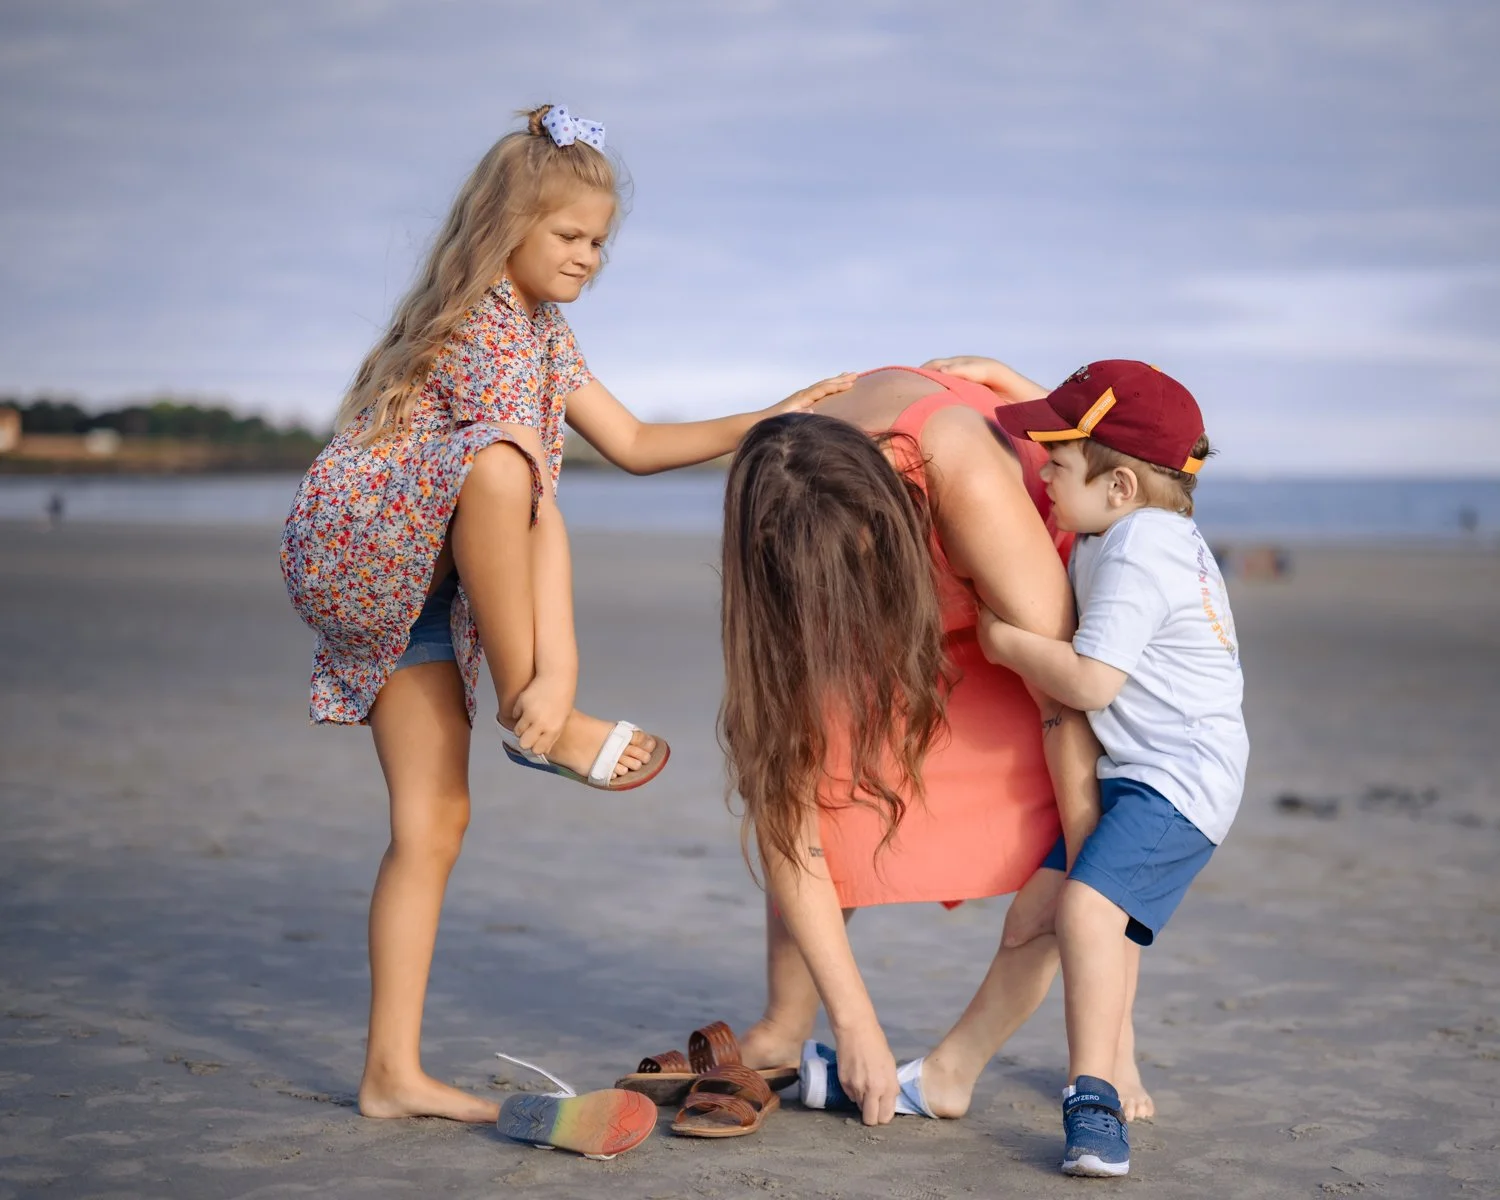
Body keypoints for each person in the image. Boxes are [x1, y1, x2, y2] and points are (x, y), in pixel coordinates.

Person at [279, 104, 852, 1124]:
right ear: (506, 227)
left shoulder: (546, 333)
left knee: (433, 822)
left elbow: (630, 444)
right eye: (569, 235)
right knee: (511, 467)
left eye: (599, 241)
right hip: (368, 557)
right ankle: (534, 713)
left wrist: (773, 416)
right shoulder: (480, 330)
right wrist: (550, 681)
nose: (587, 256)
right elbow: (526, 492)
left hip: (434, 580)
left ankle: (390, 1074)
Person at [719, 361, 1153, 1130]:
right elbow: (783, 793)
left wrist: (1092, 884)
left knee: (1078, 846)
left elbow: (1067, 705)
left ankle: (1109, 1040)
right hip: (897, 601)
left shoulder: (961, 478)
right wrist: (856, 1022)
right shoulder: (772, 495)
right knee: (814, 776)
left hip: (1019, 613)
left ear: (886, 513)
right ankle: (786, 1023)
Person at [980, 359, 1249, 1177]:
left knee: (1089, 911)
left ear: (1121, 485)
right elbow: (1110, 437)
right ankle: (1117, 1059)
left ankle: (1092, 1098)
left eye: (1056, 464)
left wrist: (1005, 642)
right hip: (1139, 769)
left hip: (1180, 779)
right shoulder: (1132, 521)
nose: (1043, 475)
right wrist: (997, 377)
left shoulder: (1138, 550)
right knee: (1058, 914)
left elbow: (1092, 682)